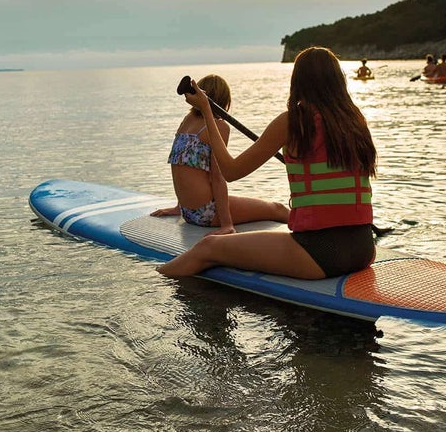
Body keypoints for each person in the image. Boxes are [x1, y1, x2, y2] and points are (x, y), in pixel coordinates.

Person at [156, 47, 377, 280]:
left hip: (319, 254)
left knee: (207, 247)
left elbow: (231, 171)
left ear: (299, 81)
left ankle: (154, 283)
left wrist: (208, 113)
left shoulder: (293, 121)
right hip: (363, 248)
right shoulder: (354, 120)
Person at [151, 74, 288, 236]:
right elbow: (218, 177)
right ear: (224, 100)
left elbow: (181, 167)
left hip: (188, 212)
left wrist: (178, 208)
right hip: (207, 212)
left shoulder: (188, 120)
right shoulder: (220, 126)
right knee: (277, 209)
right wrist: (227, 224)